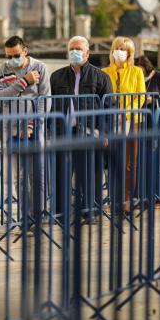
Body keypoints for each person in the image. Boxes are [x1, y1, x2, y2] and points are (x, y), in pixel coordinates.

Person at [50, 36, 113, 219]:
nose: (75, 52)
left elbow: (109, 107)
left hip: (89, 130)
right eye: (72, 49)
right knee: (62, 172)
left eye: (78, 48)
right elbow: (51, 106)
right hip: (63, 131)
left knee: (90, 172)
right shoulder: (57, 76)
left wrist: (105, 132)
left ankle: (91, 211)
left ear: (87, 52)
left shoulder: (101, 77)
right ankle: (61, 212)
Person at [0, 36, 50, 225]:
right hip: (11, 129)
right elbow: (0, 97)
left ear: (25, 50)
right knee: (19, 175)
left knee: (37, 173)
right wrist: (23, 82)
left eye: (16, 55)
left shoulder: (40, 67)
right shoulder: (3, 69)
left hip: (35, 128)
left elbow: (45, 100)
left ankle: (39, 214)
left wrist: (32, 125)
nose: (12, 59)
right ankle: (25, 216)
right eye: (9, 55)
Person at [103, 37, 146, 212]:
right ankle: (113, 198)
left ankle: (128, 199)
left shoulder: (137, 72)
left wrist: (126, 113)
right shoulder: (104, 71)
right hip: (110, 121)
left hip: (132, 122)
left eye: (123, 49)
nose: (119, 51)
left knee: (130, 162)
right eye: (116, 48)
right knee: (113, 161)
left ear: (129, 53)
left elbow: (140, 96)